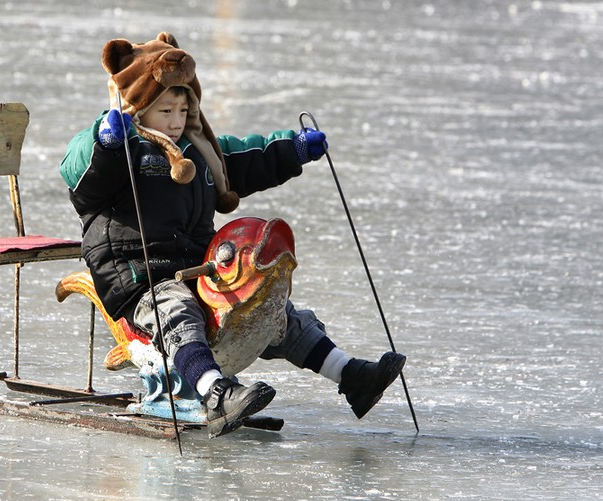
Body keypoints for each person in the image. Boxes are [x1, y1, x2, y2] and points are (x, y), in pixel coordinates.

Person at [60, 32, 406, 438]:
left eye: (183, 109)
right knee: (177, 312)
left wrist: (294, 150)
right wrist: (106, 141)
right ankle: (215, 394)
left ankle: (350, 376)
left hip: (199, 267)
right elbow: (80, 176)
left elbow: (249, 158)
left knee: (271, 309)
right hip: (139, 276)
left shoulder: (200, 150)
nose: (175, 120)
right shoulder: (122, 149)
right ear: (137, 107)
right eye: (165, 110)